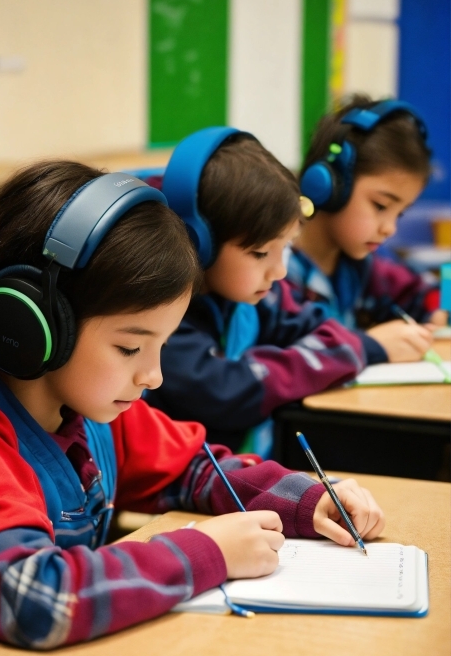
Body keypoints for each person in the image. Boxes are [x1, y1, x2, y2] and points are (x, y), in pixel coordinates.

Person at [0, 160, 385, 656]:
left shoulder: (89, 407)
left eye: (161, 344)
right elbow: (34, 600)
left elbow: (197, 469)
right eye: (131, 348)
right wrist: (207, 552)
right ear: (37, 326)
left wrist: (307, 500)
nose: (153, 376)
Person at [144, 126, 385, 455]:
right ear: (199, 242)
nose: (280, 271)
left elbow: (326, 330)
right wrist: (352, 351)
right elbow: (226, 392)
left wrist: (360, 346)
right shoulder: (158, 315)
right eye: (260, 253)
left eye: (285, 248)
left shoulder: (255, 294)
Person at [287, 95, 446, 362]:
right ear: (329, 186)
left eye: (401, 213)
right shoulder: (273, 271)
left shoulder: (360, 268)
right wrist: (371, 345)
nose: (390, 229)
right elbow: (292, 355)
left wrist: (441, 309)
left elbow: (431, 288)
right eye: (381, 206)